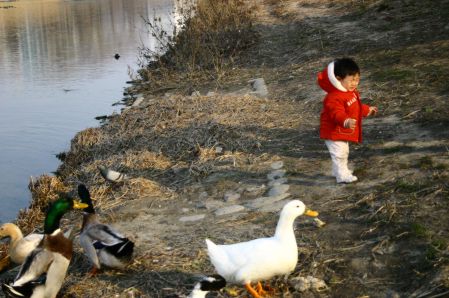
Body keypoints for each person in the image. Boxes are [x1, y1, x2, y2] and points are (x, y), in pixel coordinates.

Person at [317, 58, 378, 183]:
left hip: (341, 131)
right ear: (339, 79)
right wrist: (345, 121)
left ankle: (338, 170)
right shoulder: (333, 97)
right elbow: (336, 113)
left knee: (343, 151)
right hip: (333, 132)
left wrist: (367, 110)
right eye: (351, 80)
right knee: (340, 153)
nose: (355, 83)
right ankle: (342, 176)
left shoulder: (350, 93)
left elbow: (356, 107)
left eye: (357, 79)